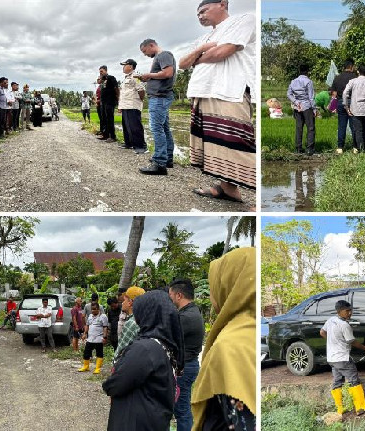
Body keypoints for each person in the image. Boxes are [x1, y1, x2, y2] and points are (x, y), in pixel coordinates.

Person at [181, 1, 257, 204]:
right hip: (204, 91)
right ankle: (228, 189)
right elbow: (182, 63)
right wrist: (203, 50)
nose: (200, 16)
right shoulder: (205, 37)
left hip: (229, 91)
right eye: (197, 14)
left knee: (238, 143)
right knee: (217, 145)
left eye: (204, 10)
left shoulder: (244, 20)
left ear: (223, 3)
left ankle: (261, 203)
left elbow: (224, 51)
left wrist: (197, 56)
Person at [191, 247, 256, 431]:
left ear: (230, 287)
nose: (212, 296)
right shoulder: (250, 330)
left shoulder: (230, 347)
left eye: (214, 287)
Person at [103, 290, 184, 430]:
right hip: (154, 418)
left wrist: (108, 384)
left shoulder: (145, 349)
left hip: (136, 422)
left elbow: (115, 384)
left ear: (147, 314)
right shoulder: (164, 344)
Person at [320, 300, 365, 416]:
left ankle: (340, 409)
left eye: (351, 310)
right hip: (342, 358)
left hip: (332, 358)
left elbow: (322, 332)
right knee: (353, 379)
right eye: (347, 311)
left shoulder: (331, 320)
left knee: (337, 381)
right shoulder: (344, 325)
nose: (350, 313)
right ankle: (361, 406)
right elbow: (352, 342)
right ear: (339, 311)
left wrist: (332, 342)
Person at [169, 279, 205, 431]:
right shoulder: (192, 311)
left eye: (170, 294)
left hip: (185, 368)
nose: (169, 298)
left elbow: (168, 337)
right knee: (182, 407)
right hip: (188, 365)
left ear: (178, 295)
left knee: (181, 410)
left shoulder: (186, 318)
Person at [138, 39, 177, 175]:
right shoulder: (161, 57)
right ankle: (167, 159)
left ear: (151, 45)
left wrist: (148, 75)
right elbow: (162, 74)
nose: (145, 54)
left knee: (156, 128)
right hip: (160, 96)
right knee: (164, 128)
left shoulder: (164, 55)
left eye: (145, 51)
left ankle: (159, 162)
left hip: (160, 97)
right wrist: (149, 78)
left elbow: (168, 73)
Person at [343, 64, 365, 153]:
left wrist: (346, 106)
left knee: (358, 129)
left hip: (355, 108)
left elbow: (345, 93)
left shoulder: (352, 81)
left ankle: (359, 148)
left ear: (358, 71)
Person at [118, 59, 147, 153]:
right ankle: (129, 143)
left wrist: (138, 101)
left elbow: (141, 90)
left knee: (135, 126)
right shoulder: (126, 78)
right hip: (125, 105)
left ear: (130, 66)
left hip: (133, 105)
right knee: (126, 126)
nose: (123, 67)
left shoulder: (136, 76)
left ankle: (141, 146)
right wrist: (120, 106)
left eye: (124, 65)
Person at [287, 64, 316, 156]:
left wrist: (296, 102)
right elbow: (311, 97)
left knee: (299, 128)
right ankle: (309, 149)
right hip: (307, 107)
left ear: (300, 71)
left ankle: (298, 148)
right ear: (307, 71)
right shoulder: (308, 81)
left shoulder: (293, 81)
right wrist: (314, 109)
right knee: (310, 128)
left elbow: (289, 94)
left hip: (297, 107)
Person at [330, 59, 358, 154]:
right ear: (351, 66)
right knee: (353, 125)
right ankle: (355, 147)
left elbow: (334, 94)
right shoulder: (355, 77)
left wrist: (333, 106)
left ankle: (340, 147)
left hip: (341, 102)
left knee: (342, 125)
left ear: (344, 67)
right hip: (352, 103)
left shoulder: (337, 78)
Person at [112, 286, 146, 364]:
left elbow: (121, 352)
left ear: (130, 302)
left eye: (124, 300)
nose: (123, 303)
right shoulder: (144, 318)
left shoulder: (131, 323)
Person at [79, 302, 108, 374]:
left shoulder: (103, 316)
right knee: (86, 352)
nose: (93, 311)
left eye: (95, 309)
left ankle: (97, 368)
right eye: (92, 309)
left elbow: (105, 327)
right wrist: (85, 334)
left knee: (99, 353)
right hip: (90, 339)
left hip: (99, 339)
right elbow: (87, 325)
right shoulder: (90, 316)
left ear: (98, 309)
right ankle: (86, 366)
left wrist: (105, 337)